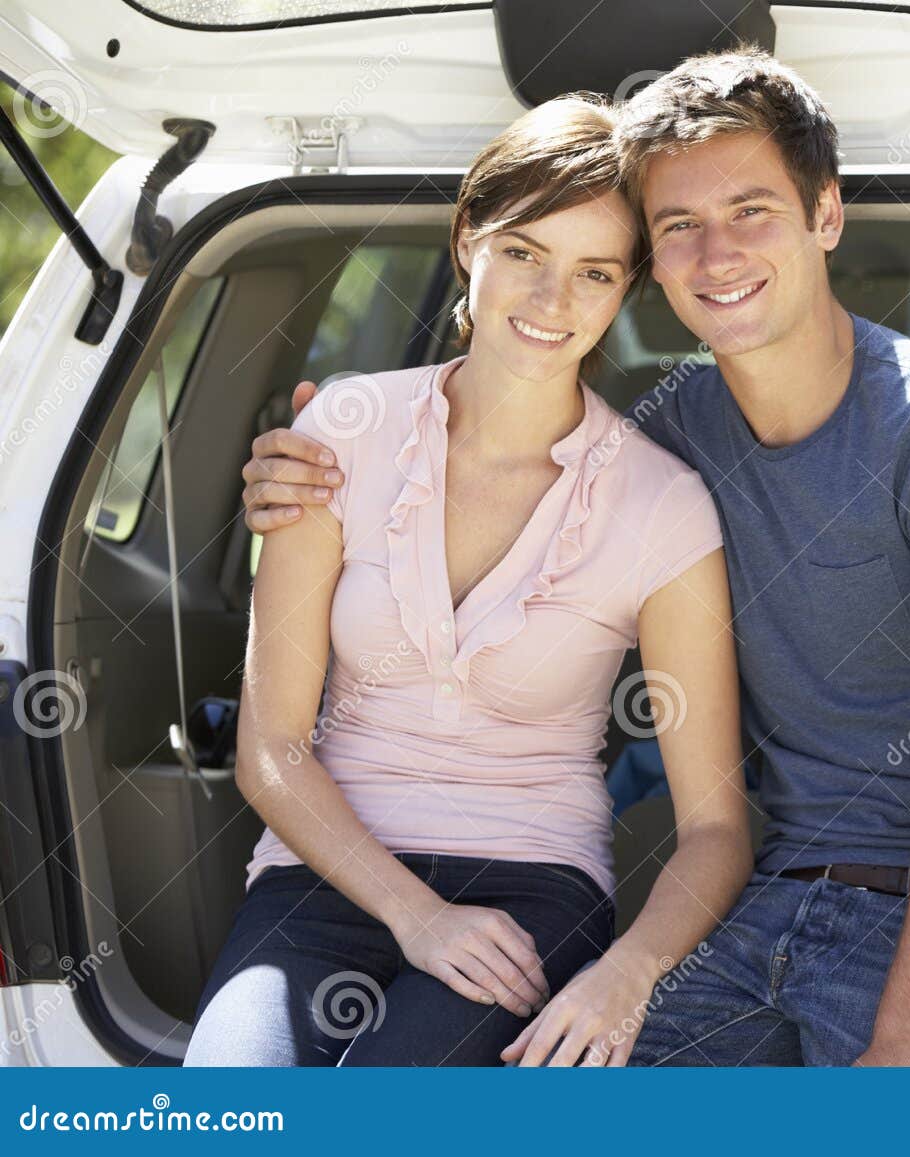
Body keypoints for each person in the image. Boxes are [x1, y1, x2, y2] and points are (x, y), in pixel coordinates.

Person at [240, 48, 910, 1068]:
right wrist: (300, 466)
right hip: (784, 893)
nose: (717, 252)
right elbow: (524, 435)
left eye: (751, 211)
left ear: (826, 214)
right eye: (680, 226)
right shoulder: (670, 438)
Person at [188, 94, 751, 1067]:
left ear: (623, 291)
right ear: (467, 242)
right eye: (524, 252)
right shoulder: (343, 434)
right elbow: (269, 747)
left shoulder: (663, 503)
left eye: (594, 272)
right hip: (323, 870)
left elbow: (714, 826)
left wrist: (628, 971)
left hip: (534, 886)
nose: (552, 299)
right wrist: (416, 914)